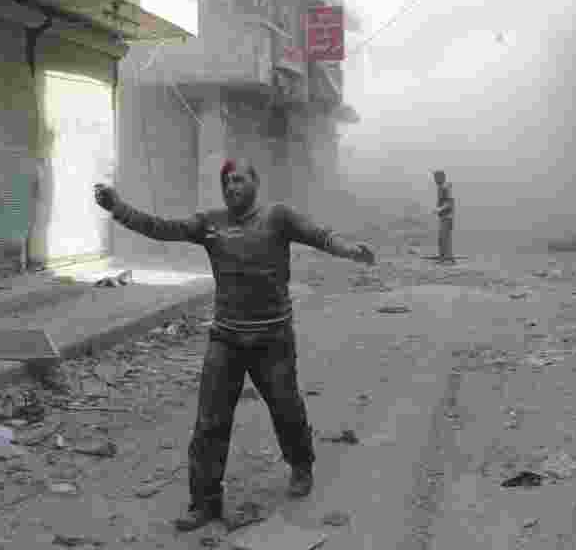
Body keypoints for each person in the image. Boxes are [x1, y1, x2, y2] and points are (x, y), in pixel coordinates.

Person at [94, 159, 376, 531]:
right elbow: (162, 229)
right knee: (210, 422)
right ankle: (205, 502)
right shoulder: (210, 223)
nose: (231, 187)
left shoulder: (278, 217)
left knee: (286, 408)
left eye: (239, 180)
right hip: (226, 337)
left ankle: (301, 464)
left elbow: (319, 235)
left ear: (255, 183)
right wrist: (118, 208)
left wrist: (350, 250)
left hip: (272, 338)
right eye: (226, 182)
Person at [433, 170, 454, 263]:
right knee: (442, 238)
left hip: (447, 217)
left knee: (444, 238)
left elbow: (449, 203)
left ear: (442, 177)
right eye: (435, 177)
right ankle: (444, 258)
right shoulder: (441, 187)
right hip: (444, 216)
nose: (435, 180)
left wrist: (439, 209)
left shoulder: (445, 187)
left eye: (436, 177)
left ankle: (447, 259)